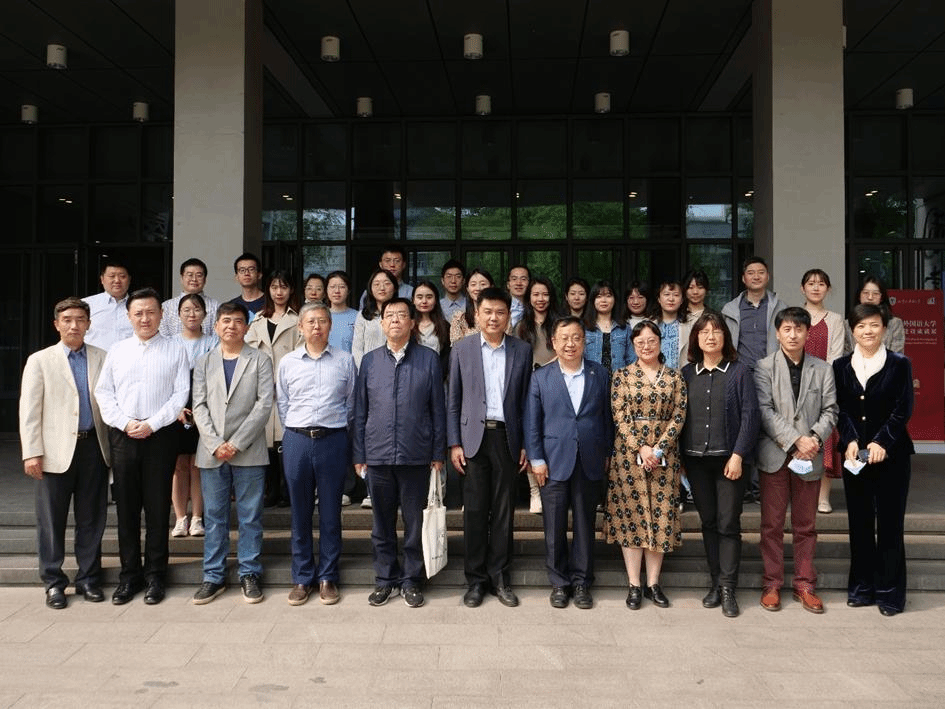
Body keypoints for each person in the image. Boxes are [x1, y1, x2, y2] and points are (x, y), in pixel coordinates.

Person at [95, 287, 190, 605]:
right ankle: (129, 577)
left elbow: (180, 394)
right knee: (126, 509)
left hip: (160, 436)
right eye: (138, 313)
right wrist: (125, 423)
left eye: (151, 312)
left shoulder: (176, 349)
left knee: (158, 508)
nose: (145, 318)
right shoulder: (117, 350)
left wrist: (152, 423)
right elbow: (103, 393)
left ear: (161, 315)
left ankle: (155, 576)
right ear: (129, 316)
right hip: (124, 436)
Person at [353, 298, 446, 608]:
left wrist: (437, 452)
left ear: (412, 323)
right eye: (389, 315)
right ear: (381, 324)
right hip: (377, 455)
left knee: (414, 524)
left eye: (401, 315)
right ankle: (385, 579)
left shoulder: (428, 359)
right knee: (381, 524)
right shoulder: (370, 361)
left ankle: (411, 580)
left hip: (416, 455)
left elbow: (438, 409)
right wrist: (359, 454)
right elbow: (360, 410)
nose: (395, 320)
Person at [19, 297, 111, 609]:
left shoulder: (102, 357)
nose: (74, 325)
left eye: (80, 319)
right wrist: (32, 452)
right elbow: (29, 411)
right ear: (57, 324)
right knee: (51, 520)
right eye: (67, 320)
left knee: (92, 519)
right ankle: (53, 583)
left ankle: (88, 579)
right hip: (53, 452)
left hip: (94, 448)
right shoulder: (40, 360)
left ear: (89, 324)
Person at [448, 287, 532, 608]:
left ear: (508, 315)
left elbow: (526, 403)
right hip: (473, 439)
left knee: (503, 511)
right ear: (477, 313)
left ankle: (500, 577)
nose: (493, 317)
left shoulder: (521, 350)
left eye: (500, 312)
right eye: (487, 312)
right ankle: (475, 581)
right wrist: (454, 443)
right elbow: (453, 399)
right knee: (474, 511)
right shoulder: (462, 348)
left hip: (508, 438)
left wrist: (526, 443)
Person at [524, 317, 615, 610]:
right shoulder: (541, 377)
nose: (570, 344)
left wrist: (607, 453)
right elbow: (532, 422)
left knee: (585, 525)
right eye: (564, 338)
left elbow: (607, 418)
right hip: (552, 462)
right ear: (553, 342)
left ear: (584, 341)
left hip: (589, 459)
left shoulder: (600, 374)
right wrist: (536, 459)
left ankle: (582, 582)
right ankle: (559, 583)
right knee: (554, 526)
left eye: (576, 337)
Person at [755, 307, 838, 614]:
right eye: (787, 329)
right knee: (771, 525)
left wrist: (813, 438)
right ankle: (772, 583)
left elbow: (831, 410)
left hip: (810, 456)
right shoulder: (763, 367)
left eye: (799, 329)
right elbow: (764, 410)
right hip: (775, 455)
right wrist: (794, 441)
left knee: (806, 526)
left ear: (807, 333)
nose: (793, 335)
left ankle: (804, 584)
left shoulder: (823, 368)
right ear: (777, 333)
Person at [833, 303, 914, 616]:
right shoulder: (840, 366)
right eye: (861, 326)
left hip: (893, 457)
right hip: (855, 456)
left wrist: (882, 441)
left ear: (884, 328)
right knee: (860, 524)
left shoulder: (900, 364)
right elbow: (840, 409)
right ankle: (862, 588)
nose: (868, 331)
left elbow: (903, 408)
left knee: (891, 525)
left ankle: (890, 594)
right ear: (852, 331)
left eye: (874, 325)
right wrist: (851, 439)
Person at [190, 302, 273, 605]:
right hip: (211, 452)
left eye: (238, 321)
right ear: (216, 326)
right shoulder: (204, 362)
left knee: (250, 516)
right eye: (226, 321)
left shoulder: (260, 359)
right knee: (214, 517)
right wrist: (215, 443)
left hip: (248, 450)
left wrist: (236, 443)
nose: (232, 326)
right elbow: (198, 405)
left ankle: (249, 572)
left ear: (246, 327)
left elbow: (264, 404)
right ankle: (213, 575)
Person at [680, 312, 760, 618]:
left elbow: (751, 416)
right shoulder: (687, 373)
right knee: (709, 522)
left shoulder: (739, 372)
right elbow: (679, 418)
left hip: (730, 462)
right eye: (704, 332)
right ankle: (715, 582)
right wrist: (680, 460)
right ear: (696, 339)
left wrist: (738, 455)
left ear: (725, 337)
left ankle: (728, 587)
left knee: (728, 523)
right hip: (696, 462)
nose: (710, 337)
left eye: (716, 331)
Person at [277, 302, 356, 606]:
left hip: (333, 439)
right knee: (299, 512)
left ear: (330, 326)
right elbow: (283, 403)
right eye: (310, 321)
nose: (317, 327)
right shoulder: (288, 362)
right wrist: (296, 430)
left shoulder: (345, 360)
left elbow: (351, 403)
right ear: (300, 327)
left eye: (322, 321)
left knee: (331, 512)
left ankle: (327, 576)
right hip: (297, 440)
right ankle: (302, 577)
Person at [605, 321, 687, 610]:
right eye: (640, 342)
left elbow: (679, 415)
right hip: (629, 456)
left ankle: (653, 583)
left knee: (659, 517)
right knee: (632, 517)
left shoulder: (675, 377)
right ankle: (634, 584)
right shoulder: (621, 376)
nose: (646, 346)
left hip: (665, 457)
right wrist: (641, 447)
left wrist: (659, 448)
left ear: (660, 342)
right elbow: (619, 415)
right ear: (633, 345)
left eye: (652, 341)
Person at [721, 256, 783, 503]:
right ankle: (743, 485)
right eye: (751, 272)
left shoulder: (779, 308)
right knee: (741, 427)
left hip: (771, 375)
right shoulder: (730, 309)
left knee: (767, 428)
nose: (756, 276)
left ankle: (760, 487)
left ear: (767, 276)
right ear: (743, 278)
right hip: (740, 375)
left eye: (760, 272)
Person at [245, 270, 301, 508]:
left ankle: (288, 490)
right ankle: (271, 490)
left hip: (289, 389)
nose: (279, 292)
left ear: (291, 290)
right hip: (262, 389)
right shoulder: (258, 319)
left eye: (284, 287)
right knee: (266, 441)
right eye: (274, 287)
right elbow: (247, 354)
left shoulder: (298, 319)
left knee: (286, 441)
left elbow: (301, 354)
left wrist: (284, 381)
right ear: (268, 290)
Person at [170, 294, 218, 539]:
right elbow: (166, 379)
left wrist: (203, 409)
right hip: (176, 407)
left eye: (197, 309)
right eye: (186, 309)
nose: (192, 314)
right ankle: (180, 519)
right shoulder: (170, 343)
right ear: (178, 314)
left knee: (199, 464)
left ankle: (198, 517)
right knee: (179, 465)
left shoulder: (213, 342)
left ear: (205, 315)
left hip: (205, 405)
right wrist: (176, 408)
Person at [800, 269, 846, 514]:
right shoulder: (794, 316)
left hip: (825, 388)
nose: (816, 288)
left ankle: (823, 497)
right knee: (799, 438)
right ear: (802, 288)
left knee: (825, 439)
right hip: (796, 388)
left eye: (821, 284)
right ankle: (802, 496)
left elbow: (835, 357)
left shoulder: (836, 319)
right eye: (811, 283)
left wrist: (821, 386)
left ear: (828, 289)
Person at [516, 276, 560, 514]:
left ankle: (551, 488)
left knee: (551, 434)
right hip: (528, 387)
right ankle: (535, 491)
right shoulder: (520, 326)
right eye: (536, 294)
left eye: (545, 294)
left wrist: (545, 369)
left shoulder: (559, 324)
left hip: (555, 385)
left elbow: (567, 351)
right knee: (531, 436)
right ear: (529, 298)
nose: (540, 299)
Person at [160, 258, 220, 337]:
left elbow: (218, 337)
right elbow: (162, 337)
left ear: (205, 279)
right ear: (182, 278)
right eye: (190, 275)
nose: (194, 279)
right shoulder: (166, 307)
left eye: (199, 275)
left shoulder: (216, 307)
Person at [844, 275, 905, 354]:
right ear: (859, 295)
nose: (870, 297)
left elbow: (897, 354)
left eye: (875, 293)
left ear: (882, 297)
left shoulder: (894, 323)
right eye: (866, 293)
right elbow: (845, 353)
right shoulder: (847, 324)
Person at [83, 259, 133, 350]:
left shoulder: (141, 306)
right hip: (96, 358)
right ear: (102, 279)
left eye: (122, 276)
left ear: (129, 279)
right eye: (112, 276)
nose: (117, 280)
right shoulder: (86, 304)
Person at [353, 268, 398, 370]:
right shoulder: (362, 315)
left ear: (395, 287)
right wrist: (365, 371)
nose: (382, 288)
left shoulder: (401, 314)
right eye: (376, 284)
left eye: (387, 283)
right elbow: (357, 349)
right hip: (369, 370)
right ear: (370, 289)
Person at [583, 280, 630, 374]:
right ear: (593, 300)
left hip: (620, 379)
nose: (603, 300)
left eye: (608, 296)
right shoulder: (584, 328)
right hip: (592, 379)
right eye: (599, 296)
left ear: (614, 299)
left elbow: (632, 359)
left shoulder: (625, 328)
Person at [648, 279, 690, 369]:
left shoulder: (690, 325)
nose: (671, 299)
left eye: (676, 295)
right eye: (666, 294)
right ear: (659, 299)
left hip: (682, 374)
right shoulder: (649, 325)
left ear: (682, 300)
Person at [412, 280, 451, 371]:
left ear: (436, 300)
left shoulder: (445, 326)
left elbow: (447, 357)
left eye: (429, 297)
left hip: (437, 374)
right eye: (419, 297)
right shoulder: (407, 325)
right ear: (413, 300)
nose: (424, 301)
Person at [449, 268, 495, 343]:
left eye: (483, 284)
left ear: (491, 287)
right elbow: (456, 347)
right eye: (473, 284)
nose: (478, 288)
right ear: (467, 288)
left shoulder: (501, 315)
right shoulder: (459, 318)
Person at [325, 270, 358, 353]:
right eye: (332, 287)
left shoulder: (357, 316)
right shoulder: (321, 315)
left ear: (348, 290)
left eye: (342, 287)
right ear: (326, 290)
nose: (337, 291)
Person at [229, 252, 265, 320]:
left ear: (259, 275)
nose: (246, 273)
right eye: (242, 270)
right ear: (236, 277)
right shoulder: (232, 305)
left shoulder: (270, 302)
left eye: (251, 269)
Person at [506, 264, 530, 329]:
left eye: (523, 279)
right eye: (514, 279)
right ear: (508, 284)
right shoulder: (501, 305)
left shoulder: (535, 307)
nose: (519, 283)